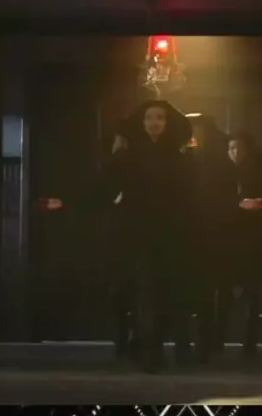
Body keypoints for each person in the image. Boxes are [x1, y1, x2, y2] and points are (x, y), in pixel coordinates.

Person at [40, 100, 195, 372]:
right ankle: (149, 352)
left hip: (171, 234)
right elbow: (102, 186)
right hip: (138, 231)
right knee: (145, 290)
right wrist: (67, 201)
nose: (154, 122)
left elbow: (193, 197)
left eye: (160, 117)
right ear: (142, 123)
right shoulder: (128, 158)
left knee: (166, 292)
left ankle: (151, 346)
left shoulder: (180, 159)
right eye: (149, 117)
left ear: (167, 123)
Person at [188, 115, 239, 364]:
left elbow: (227, 199)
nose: (194, 136)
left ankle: (206, 344)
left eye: (198, 131)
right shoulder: (189, 158)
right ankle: (202, 343)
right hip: (198, 233)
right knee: (202, 291)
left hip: (212, 233)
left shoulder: (217, 162)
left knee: (208, 291)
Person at [228, 131, 262, 360]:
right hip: (230, 238)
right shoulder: (223, 173)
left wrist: (258, 206)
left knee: (252, 291)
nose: (235, 152)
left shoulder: (261, 174)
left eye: (239, 148)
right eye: (231, 148)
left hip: (254, 239)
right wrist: (238, 204)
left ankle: (249, 341)